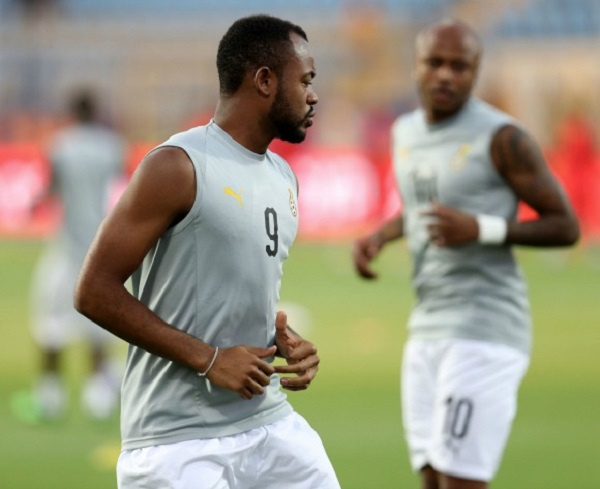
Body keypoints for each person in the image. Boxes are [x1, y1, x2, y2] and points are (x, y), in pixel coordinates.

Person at [75, 14, 340, 489]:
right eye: (306, 80)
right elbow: (93, 290)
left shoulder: (283, 176)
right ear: (264, 80)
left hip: (268, 423)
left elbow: (229, 291)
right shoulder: (178, 165)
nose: (313, 95)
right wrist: (210, 359)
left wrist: (285, 341)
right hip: (177, 441)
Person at [352, 19, 579, 489]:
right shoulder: (405, 132)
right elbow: (421, 208)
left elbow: (566, 226)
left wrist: (483, 229)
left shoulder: (503, 137)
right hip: (427, 327)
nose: (446, 75)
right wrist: (382, 236)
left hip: (485, 331)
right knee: (433, 478)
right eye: (435, 62)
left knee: (461, 479)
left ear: (476, 72)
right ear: (415, 66)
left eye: (460, 66)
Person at [25, 89, 125, 421]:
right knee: (98, 319)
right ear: (96, 112)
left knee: (50, 320)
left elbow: (52, 188)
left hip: (66, 247)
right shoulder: (111, 146)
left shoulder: (61, 146)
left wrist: (37, 202)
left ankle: (49, 394)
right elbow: (120, 184)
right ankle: (97, 396)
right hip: (97, 246)